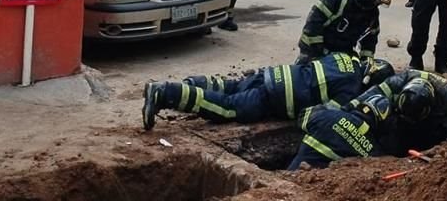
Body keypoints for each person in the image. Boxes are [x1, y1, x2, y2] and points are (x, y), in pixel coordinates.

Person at [140, 52, 395, 130]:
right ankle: (165, 93)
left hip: (274, 75)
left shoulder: (347, 59)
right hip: (276, 97)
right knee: (227, 107)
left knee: (230, 85)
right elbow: (322, 116)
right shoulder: (351, 89)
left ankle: (189, 84)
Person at [348, 68, 447, 156]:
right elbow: (366, 97)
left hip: (433, 129)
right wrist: (344, 111)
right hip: (400, 126)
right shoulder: (397, 82)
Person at [296, 0, 394, 64]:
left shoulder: (372, 13)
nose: (375, 3)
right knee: (306, 77)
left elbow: (370, 40)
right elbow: (313, 24)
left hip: (341, 53)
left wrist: (366, 62)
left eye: (378, 2)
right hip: (313, 49)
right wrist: (319, 55)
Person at [287, 94, 392, 170]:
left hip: (289, 178)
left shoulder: (328, 115)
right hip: (319, 190)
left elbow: (303, 116)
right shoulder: (373, 152)